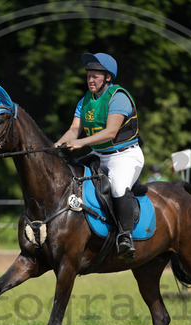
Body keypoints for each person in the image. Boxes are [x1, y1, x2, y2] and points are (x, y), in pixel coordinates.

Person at [55, 52, 144, 259]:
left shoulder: (118, 97)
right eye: (88, 76)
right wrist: (55, 146)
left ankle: (125, 236)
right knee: (70, 175)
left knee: (118, 187)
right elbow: (74, 130)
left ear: (108, 77)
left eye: (95, 76)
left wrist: (81, 142)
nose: (90, 80)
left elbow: (111, 132)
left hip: (124, 156)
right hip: (99, 154)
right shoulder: (85, 100)